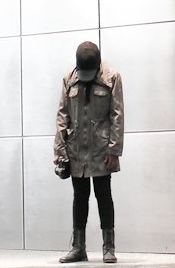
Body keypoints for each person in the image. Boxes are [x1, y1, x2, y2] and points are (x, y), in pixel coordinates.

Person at [54, 41, 124, 264]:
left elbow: (117, 116)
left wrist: (114, 149)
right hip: (76, 149)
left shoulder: (112, 78)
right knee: (79, 197)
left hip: (101, 148)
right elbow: (62, 115)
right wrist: (59, 149)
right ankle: (78, 248)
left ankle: (109, 248)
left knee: (103, 195)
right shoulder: (69, 79)